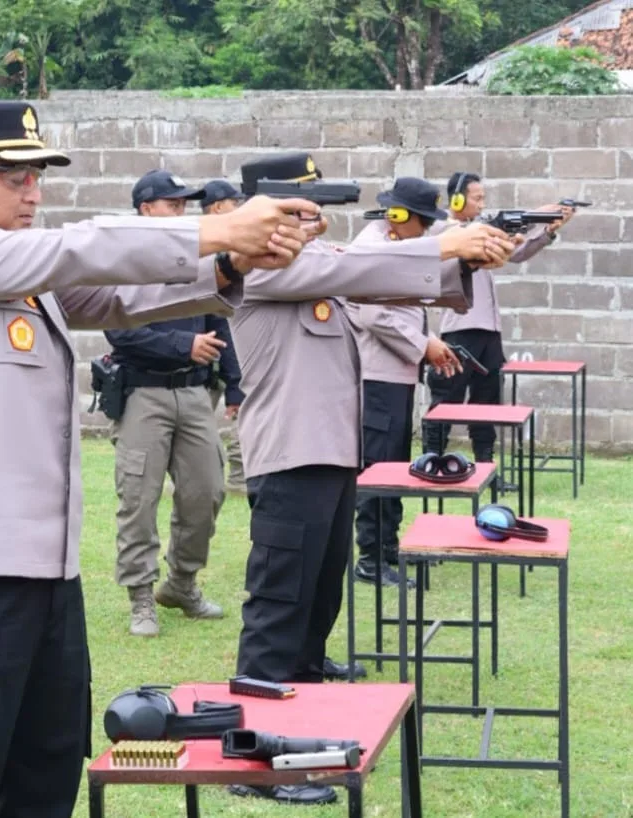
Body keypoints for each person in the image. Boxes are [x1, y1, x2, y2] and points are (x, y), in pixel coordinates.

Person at [0, 100, 316, 818]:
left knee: (44, 784)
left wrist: (229, 261)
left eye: (37, 176)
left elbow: (116, 294)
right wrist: (214, 228)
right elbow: (78, 250)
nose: (34, 193)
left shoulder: (16, 265)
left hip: (48, 579)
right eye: (14, 177)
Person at [221, 152, 518, 807]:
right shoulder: (263, 264)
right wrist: (448, 243)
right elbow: (358, 268)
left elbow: (377, 279)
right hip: (290, 455)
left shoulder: (316, 260)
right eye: (301, 204)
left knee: (316, 607)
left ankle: (298, 743)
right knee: (278, 609)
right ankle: (254, 763)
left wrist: (465, 259)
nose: (315, 216)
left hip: (328, 452)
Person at [105, 169, 226, 638]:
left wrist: (234, 383)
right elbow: (120, 331)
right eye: (172, 203)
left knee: (206, 491)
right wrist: (183, 346)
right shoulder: (124, 260)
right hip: (144, 393)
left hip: (194, 392)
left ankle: (181, 583)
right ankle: (141, 595)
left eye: (184, 204)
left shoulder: (196, 258)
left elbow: (218, 318)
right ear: (145, 209)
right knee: (139, 497)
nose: (181, 211)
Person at [347, 178, 463, 587]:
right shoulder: (373, 248)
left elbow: (402, 308)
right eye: (424, 221)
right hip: (377, 376)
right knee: (379, 467)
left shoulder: (392, 244)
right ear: (398, 215)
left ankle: (387, 548)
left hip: (394, 372)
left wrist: (426, 341)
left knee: (395, 465)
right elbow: (373, 315)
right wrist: (424, 345)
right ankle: (370, 558)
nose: (427, 230)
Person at [423, 171, 574, 462]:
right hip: (461, 329)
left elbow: (516, 253)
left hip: (489, 331)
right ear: (457, 200)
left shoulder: (480, 230)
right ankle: (430, 459)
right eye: (477, 198)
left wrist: (546, 230)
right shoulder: (444, 230)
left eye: (483, 198)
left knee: (487, 402)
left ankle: (485, 465)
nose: (481, 204)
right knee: (447, 399)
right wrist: (534, 216)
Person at [200, 180, 248, 493]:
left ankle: (238, 477)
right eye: (234, 203)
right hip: (206, 354)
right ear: (218, 207)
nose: (239, 208)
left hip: (218, 352)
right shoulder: (208, 248)